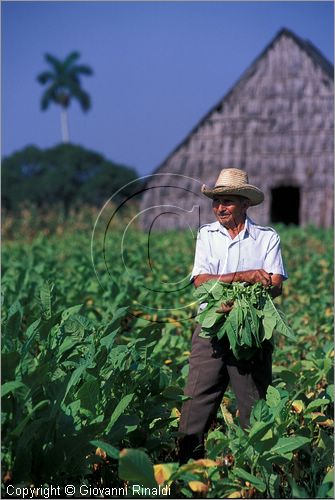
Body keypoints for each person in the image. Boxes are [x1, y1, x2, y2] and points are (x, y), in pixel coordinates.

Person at [178, 168, 287, 464]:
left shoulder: (266, 238)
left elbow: (276, 283)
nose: (220, 208)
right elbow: (201, 281)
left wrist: (256, 287)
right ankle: (186, 475)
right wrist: (246, 276)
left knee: (254, 410)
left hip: (250, 331)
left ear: (245, 204)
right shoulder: (207, 235)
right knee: (195, 408)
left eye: (227, 201)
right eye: (216, 202)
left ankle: (254, 477)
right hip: (210, 330)